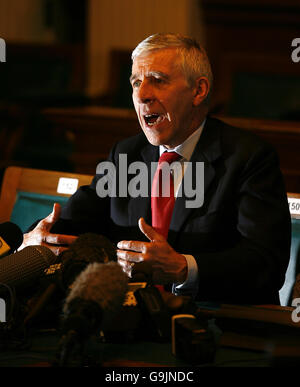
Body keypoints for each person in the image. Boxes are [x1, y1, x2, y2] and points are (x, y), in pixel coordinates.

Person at [20, 33, 291, 305]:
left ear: (199, 91)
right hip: (134, 324)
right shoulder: (126, 154)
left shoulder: (249, 158)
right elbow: (68, 221)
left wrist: (183, 268)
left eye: (158, 80)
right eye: (136, 82)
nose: (142, 94)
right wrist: (34, 239)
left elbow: (266, 264)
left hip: (220, 325)